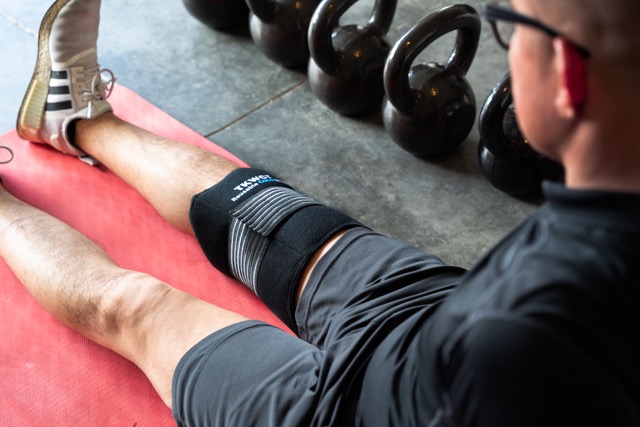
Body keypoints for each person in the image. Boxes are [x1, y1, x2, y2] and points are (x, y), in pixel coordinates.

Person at [2, 0, 639, 425]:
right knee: (271, 214)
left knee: (137, 310)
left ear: (567, 78)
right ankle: (78, 120)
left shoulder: (521, 339)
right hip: (436, 319)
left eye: (511, 28)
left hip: (350, 408)